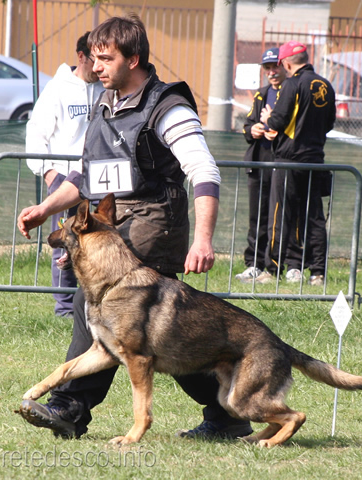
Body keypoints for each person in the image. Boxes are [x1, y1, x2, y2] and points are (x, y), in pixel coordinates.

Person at [16, 14, 253, 440]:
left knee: (109, 319)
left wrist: (202, 238)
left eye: (106, 58)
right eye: (93, 57)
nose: (96, 65)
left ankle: (69, 407)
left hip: (151, 229)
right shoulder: (105, 105)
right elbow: (87, 178)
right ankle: (226, 411)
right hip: (111, 226)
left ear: (135, 58)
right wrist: (44, 207)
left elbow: (204, 170)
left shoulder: (168, 108)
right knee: (160, 335)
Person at [25, 32, 104, 317]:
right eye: (94, 59)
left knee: (98, 240)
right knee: (65, 243)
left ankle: (95, 304)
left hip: (98, 176)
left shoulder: (107, 88)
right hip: (63, 180)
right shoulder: (57, 88)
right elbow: (36, 134)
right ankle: (65, 309)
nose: (98, 67)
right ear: (81, 56)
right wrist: (48, 173)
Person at [259, 41, 336, 287]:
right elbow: (330, 123)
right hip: (315, 160)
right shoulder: (326, 84)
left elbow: (279, 119)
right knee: (314, 218)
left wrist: (268, 119)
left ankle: (271, 269)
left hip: (288, 161)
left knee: (279, 215)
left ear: (287, 63)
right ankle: (318, 273)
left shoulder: (292, 84)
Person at [235, 47, 305, 285]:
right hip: (259, 162)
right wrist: (252, 130)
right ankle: (254, 263)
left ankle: (292, 264)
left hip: (284, 162)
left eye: (275, 66)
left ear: (284, 66)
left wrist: (274, 125)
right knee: (258, 215)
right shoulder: (261, 94)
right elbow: (248, 125)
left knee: (288, 216)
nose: (272, 72)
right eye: (267, 68)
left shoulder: (293, 90)